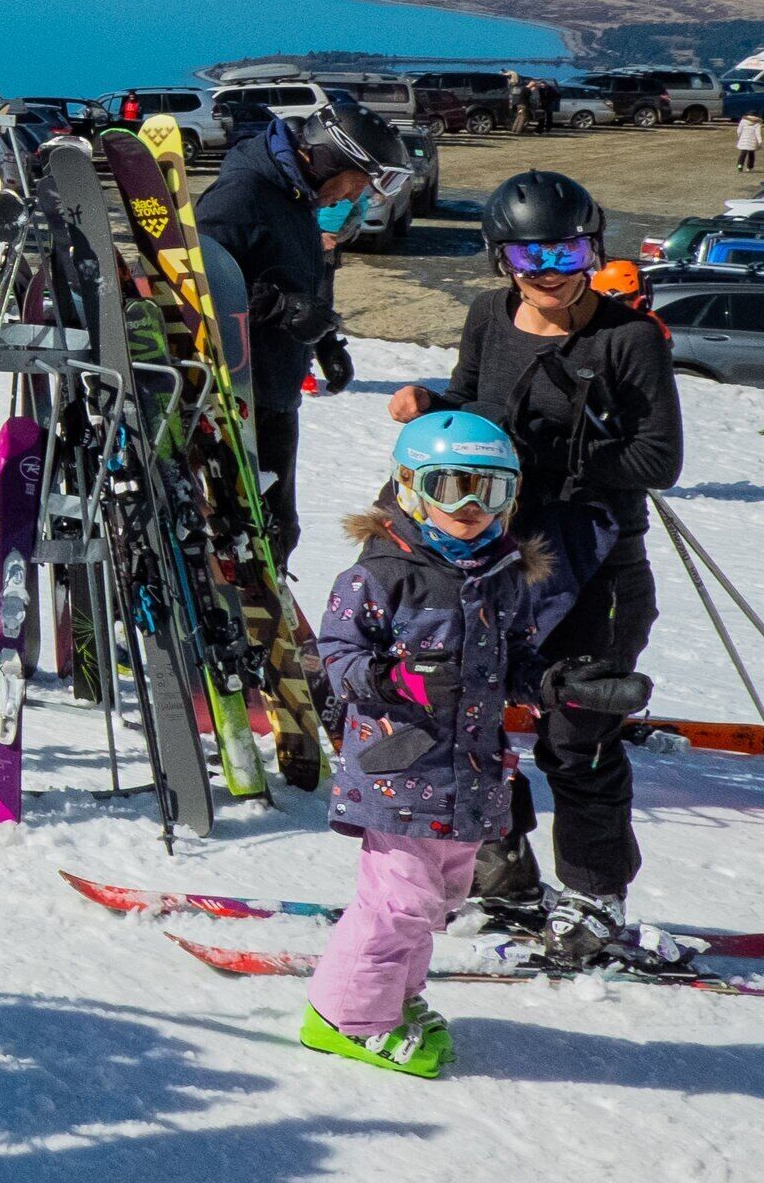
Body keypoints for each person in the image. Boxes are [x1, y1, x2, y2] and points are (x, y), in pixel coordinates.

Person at [384, 169, 688, 964]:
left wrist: (557, 451)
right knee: (474, 715)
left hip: (598, 569)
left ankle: (593, 897)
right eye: (531, 254)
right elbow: (465, 398)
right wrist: (429, 407)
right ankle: (502, 874)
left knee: (576, 732)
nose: (551, 272)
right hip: (497, 555)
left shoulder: (626, 338)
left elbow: (659, 459)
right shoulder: (489, 314)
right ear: (501, 259)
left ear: (593, 249)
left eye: (570, 250)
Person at [300, 411, 547, 1077]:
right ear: (410, 486)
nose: (470, 507)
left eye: (489, 491)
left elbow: (514, 659)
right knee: (397, 902)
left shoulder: (502, 572)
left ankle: (394, 1000)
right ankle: (345, 1018)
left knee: (434, 902)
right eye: (452, 487)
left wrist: (560, 683)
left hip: (468, 771)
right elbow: (335, 659)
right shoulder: (379, 574)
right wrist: (395, 675)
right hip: (399, 768)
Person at [191, 95, 405, 569]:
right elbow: (196, 281)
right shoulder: (242, 196)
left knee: (278, 526)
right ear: (332, 159)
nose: (356, 197)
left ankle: (267, 604)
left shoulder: (293, 196)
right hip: (241, 393)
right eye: (359, 182)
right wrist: (281, 309)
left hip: (276, 383)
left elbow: (296, 277)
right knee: (261, 523)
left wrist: (325, 339)